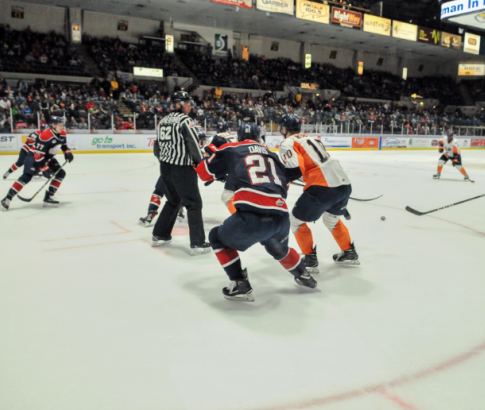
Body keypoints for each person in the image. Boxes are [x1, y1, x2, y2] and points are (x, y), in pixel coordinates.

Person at [195, 129, 317, 301]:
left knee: (216, 237)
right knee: (277, 247)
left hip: (254, 215)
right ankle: (304, 274)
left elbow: (203, 173)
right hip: (281, 216)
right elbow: (287, 180)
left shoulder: (232, 148)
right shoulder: (272, 156)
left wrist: (211, 150)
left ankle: (239, 283)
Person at [277, 114, 358, 273]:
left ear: (285, 129)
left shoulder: (287, 142)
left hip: (322, 185)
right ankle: (349, 252)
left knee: (296, 220)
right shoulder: (311, 138)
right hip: (343, 183)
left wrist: (280, 182)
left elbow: (294, 170)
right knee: (331, 218)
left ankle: (310, 260)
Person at [152, 91, 209, 255]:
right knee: (193, 203)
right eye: (187, 104)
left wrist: (165, 160)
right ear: (178, 104)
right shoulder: (185, 120)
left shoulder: (163, 121)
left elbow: (157, 147)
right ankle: (197, 243)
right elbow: (194, 145)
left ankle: (160, 234)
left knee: (173, 200)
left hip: (165, 167)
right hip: (182, 168)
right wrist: (201, 164)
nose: (189, 107)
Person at [0, 116, 74, 211]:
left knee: (61, 173)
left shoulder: (62, 133)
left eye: (62, 125)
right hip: (34, 157)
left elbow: (63, 145)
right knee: (26, 177)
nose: (61, 127)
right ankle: (7, 199)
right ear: (53, 125)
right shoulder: (45, 136)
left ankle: (49, 196)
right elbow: (38, 156)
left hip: (48, 157)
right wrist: (44, 169)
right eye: (59, 125)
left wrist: (67, 152)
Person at [138, 138, 185, 227]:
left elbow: (156, 147)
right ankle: (180, 210)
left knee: (158, 192)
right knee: (182, 192)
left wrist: (163, 161)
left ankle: (150, 214)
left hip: (168, 169)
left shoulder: (166, 133)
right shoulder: (186, 136)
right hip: (184, 171)